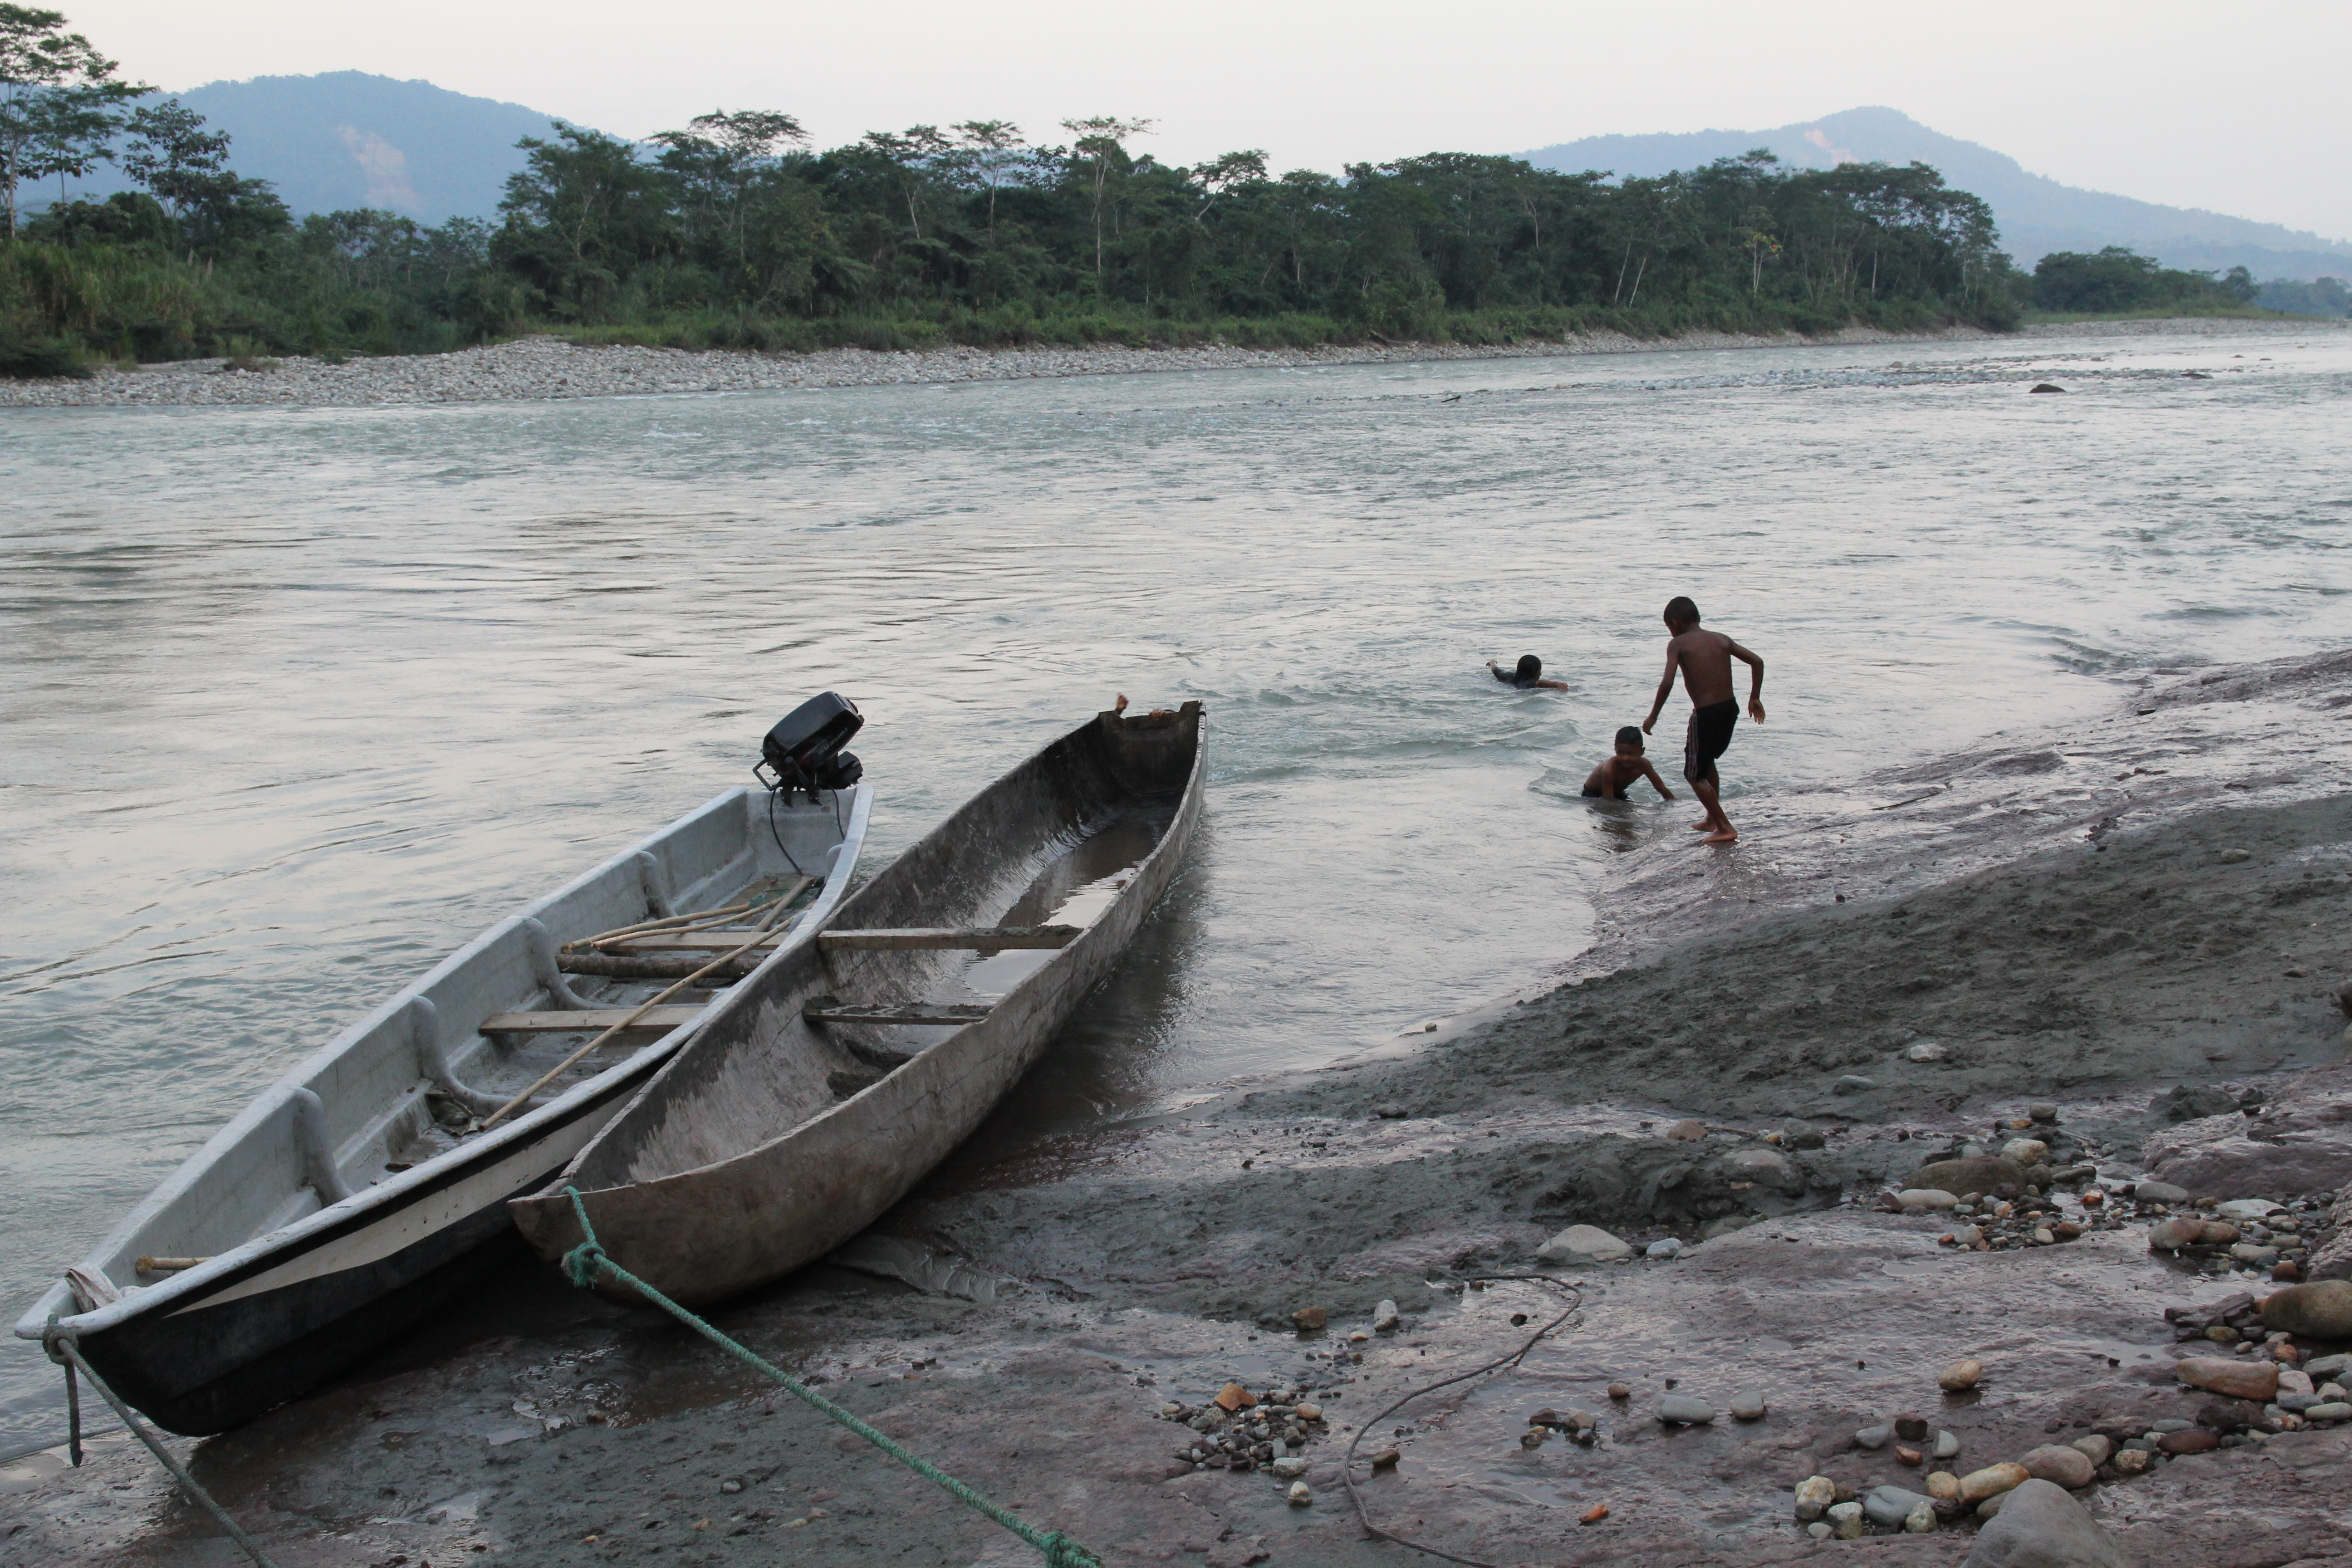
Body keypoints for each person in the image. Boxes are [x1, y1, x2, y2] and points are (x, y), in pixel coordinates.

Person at [1641, 596, 1764, 844]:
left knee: (1693, 773)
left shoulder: (1678, 644)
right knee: (1707, 763)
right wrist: (1754, 698)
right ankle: (1711, 819)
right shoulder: (1721, 639)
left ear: (1674, 623)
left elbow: (1667, 682)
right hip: (1730, 709)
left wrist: (1653, 716)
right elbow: (1757, 661)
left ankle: (1724, 826)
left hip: (1706, 714)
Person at [1582, 726, 1676, 801]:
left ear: (1642, 751)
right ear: (1615, 749)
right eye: (1621, 753)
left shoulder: (1644, 765)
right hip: (1592, 794)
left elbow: (1662, 789)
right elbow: (1608, 801)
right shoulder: (1609, 769)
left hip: (1618, 793)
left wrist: (1673, 804)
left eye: (1631, 754)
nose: (1626, 758)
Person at [1487, 653, 1568, 691]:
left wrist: (1492, 662)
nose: (1540, 674)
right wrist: (1557, 684)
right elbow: (1542, 683)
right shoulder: (1531, 684)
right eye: (1539, 671)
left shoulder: (1508, 676)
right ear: (1533, 672)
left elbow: (1495, 670)